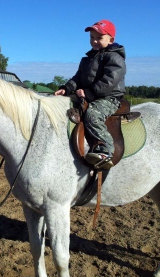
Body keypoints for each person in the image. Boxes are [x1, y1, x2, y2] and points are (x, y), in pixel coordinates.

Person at [55, 19, 126, 169]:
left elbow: (110, 81)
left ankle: (105, 148)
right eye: (92, 37)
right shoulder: (87, 59)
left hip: (108, 97)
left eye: (99, 38)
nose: (94, 41)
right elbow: (78, 78)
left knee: (93, 115)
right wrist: (66, 88)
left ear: (111, 39)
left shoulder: (114, 58)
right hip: (89, 95)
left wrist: (89, 93)